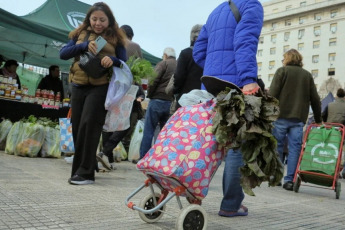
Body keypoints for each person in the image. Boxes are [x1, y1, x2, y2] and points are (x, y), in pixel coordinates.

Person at [193, 0, 263, 217]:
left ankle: (190, 191)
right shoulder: (252, 5)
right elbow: (245, 41)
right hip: (236, 82)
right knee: (236, 145)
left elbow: (198, 52)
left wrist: (216, 65)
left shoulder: (216, 11)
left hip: (212, 82)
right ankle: (230, 205)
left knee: (207, 140)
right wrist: (248, 78)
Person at [59, 2, 127, 185]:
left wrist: (112, 60)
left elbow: (124, 62)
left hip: (100, 86)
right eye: (94, 19)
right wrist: (82, 46)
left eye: (102, 20)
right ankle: (81, 169)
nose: (98, 23)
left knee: (90, 125)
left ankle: (86, 174)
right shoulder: (79, 33)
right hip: (78, 85)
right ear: (89, 18)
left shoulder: (116, 38)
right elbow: (63, 54)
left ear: (109, 20)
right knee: (78, 125)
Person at [269, 49, 322, 191]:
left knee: (277, 147)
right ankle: (290, 180)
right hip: (298, 118)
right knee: (294, 149)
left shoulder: (282, 71)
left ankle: (276, 177)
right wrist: (318, 119)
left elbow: (272, 94)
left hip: (280, 117)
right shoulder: (307, 75)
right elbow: (315, 99)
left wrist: (267, 114)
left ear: (286, 59)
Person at [139, 47, 177, 160]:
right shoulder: (179, 65)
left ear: (165, 55)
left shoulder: (163, 63)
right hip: (170, 102)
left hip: (157, 100)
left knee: (149, 130)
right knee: (163, 134)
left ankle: (144, 157)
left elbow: (153, 80)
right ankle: (158, 158)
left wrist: (149, 95)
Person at [97, 83, 145, 170]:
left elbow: (141, 93)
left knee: (122, 131)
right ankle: (107, 157)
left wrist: (140, 98)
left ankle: (105, 154)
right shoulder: (114, 79)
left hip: (130, 111)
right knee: (108, 132)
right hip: (114, 109)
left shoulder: (134, 82)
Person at [173, 24, 203, 109]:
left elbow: (179, 76)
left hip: (185, 99)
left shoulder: (186, 53)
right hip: (203, 102)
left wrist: (175, 91)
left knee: (181, 122)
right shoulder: (209, 55)